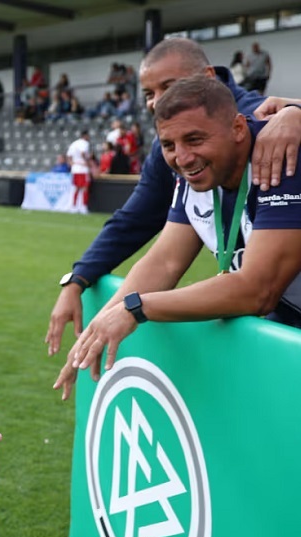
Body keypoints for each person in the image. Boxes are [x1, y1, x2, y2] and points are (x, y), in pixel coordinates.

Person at [44, 37, 301, 384]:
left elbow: (256, 290)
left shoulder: (280, 146)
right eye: (169, 145)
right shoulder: (193, 170)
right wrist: (98, 328)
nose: (182, 157)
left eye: (194, 140)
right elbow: (163, 260)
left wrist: (138, 308)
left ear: (238, 128)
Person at [66, 130, 91, 214]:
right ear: (85, 136)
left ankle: (74, 206)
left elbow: (69, 156)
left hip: (75, 168)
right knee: (85, 188)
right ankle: (83, 206)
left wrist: (72, 163)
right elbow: (83, 153)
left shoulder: (74, 143)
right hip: (82, 168)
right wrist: (87, 161)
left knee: (76, 187)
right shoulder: (85, 143)